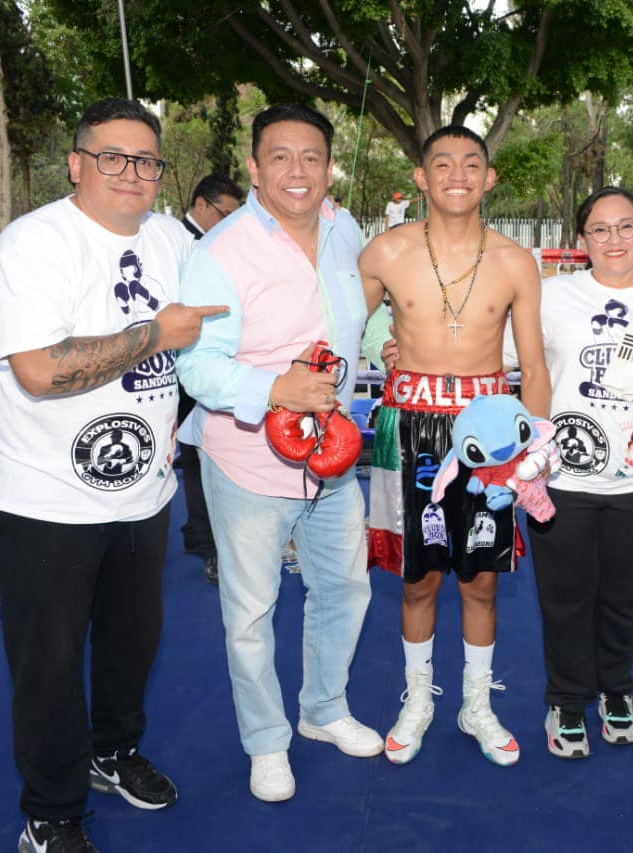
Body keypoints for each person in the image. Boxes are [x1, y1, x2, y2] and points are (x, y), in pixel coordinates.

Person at [0, 97, 219, 852]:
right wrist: (155, 334)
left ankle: (113, 751)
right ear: (77, 163)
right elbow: (40, 370)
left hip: (144, 493)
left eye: (146, 161)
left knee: (131, 645)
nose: (130, 173)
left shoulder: (171, 243)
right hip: (48, 500)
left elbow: (215, 336)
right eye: (111, 157)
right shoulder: (35, 243)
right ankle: (51, 811)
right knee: (49, 666)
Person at [177, 103, 380, 804]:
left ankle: (323, 709)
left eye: (312, 157)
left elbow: (359, 321)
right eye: (281, 157)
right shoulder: (218, 252)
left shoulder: (345, 228)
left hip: (336, 458)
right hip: (246, 462)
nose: (298, 171)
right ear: (255, 167)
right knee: (251, 611)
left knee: (346, 588)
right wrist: (277, 388)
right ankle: (267, 742)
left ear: (330, 166)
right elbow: (195, 370)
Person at [359, 125, 548, 768]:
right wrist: (373, 346)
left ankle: (476, 704)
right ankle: (417, 700)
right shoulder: (384, 251)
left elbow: (535, 364)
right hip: (409, 427)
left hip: (490, 435)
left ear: (489, 177)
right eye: (443, 163)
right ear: (421, 176)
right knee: (417, 580)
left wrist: (538, 448)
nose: (458, 174)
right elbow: (338, 327)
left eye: (472, 163)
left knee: (482, 582)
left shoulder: (517, 260)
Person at [506, 187, 633, 760]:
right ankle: (568, 700)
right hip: (563, 481)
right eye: (600, 230)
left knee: (623, 597)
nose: (614, 240)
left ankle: (617, 691)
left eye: (626, 227)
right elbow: (497, 354)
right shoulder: (550, 297)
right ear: (582, 240)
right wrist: (405, 347)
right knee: (565, 598)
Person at [177, 174, 245, 584]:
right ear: (202, 205)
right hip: (185, 368)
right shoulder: (181, 243)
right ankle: (211, 547)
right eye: (224, 214)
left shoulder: (217, 244)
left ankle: (196, 534)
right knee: (199, 457)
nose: (229, 223)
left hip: (207, 362)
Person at [181, 174, 244, 239]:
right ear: (200, 206)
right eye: (226, 216)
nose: (231, 225)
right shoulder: (184, 242)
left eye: (234, 219)